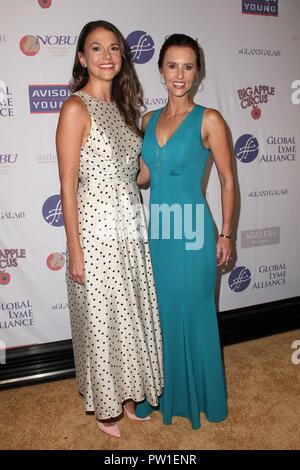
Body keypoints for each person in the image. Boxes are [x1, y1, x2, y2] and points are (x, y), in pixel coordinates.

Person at [56, 20, 163, 438]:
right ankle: (105, 406)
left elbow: (140, 177)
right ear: (82, 58)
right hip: (94, 229)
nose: (106, 56)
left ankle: (129, 395)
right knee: (101, 317)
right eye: (96, 48)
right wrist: (75, 249)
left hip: (130, 226)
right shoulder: (74, 108)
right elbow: (66, 185)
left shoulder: (125, 111)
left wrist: (170, 151)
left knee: (128, 312)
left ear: (122, 57)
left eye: (114, 48)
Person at [136, 34, 235, 429]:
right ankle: (164, 395)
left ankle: (203, 399)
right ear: (161, 70)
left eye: (188, 66)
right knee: (160, 314)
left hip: (194, 229)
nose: (180, 75)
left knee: (194, 313)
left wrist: (226, 234)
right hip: (159, 229)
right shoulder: (147, 120)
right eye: (173, 66)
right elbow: (145, 178)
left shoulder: (209, 119)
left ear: (198, 73)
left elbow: (228, 180)